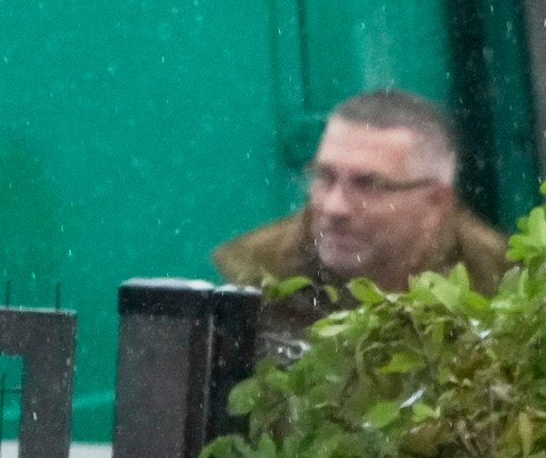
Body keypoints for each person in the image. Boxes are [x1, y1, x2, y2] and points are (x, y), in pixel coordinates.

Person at [214, 88, 509, 339]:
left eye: (369, 185)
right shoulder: (254, 279)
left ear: (436, 202)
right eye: (325, 176)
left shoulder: (508, 290)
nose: (334, 207)